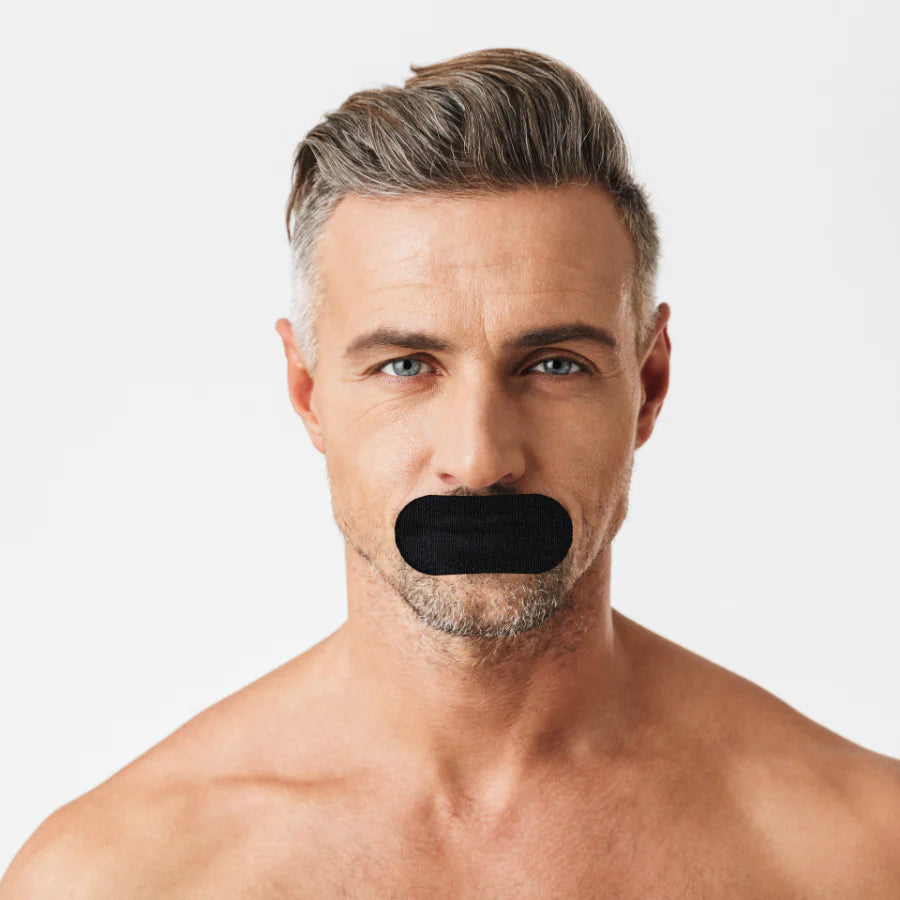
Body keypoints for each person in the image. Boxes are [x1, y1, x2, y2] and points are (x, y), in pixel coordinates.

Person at [3, 46, 898, 899]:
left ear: (649, 384)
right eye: (406, 366)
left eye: (553, 365)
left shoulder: (859, 853)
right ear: (308, 392)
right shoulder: (114, 877)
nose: (479, 461)